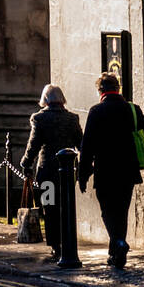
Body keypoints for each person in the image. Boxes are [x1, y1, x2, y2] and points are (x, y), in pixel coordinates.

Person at [78, 73, 144, 268]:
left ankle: (118, 243)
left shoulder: (96, 111)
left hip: (105, 170)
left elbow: (87, 147)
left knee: (107, 212)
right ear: (118, 88)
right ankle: (117, 254)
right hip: (128, 170)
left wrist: (83, 174)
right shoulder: (133, 109)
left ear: (100, 91)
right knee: (121, 211)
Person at [20, 84, 82, 260]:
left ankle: (55, 245)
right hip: (68, 173)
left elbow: (34, 145)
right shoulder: (72, 118)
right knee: (66, 207)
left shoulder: (39, 119)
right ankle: (67, 241)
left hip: (47, 172)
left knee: (49, 208)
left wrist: (26, 163)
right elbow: (81, 143)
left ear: (45, 100)